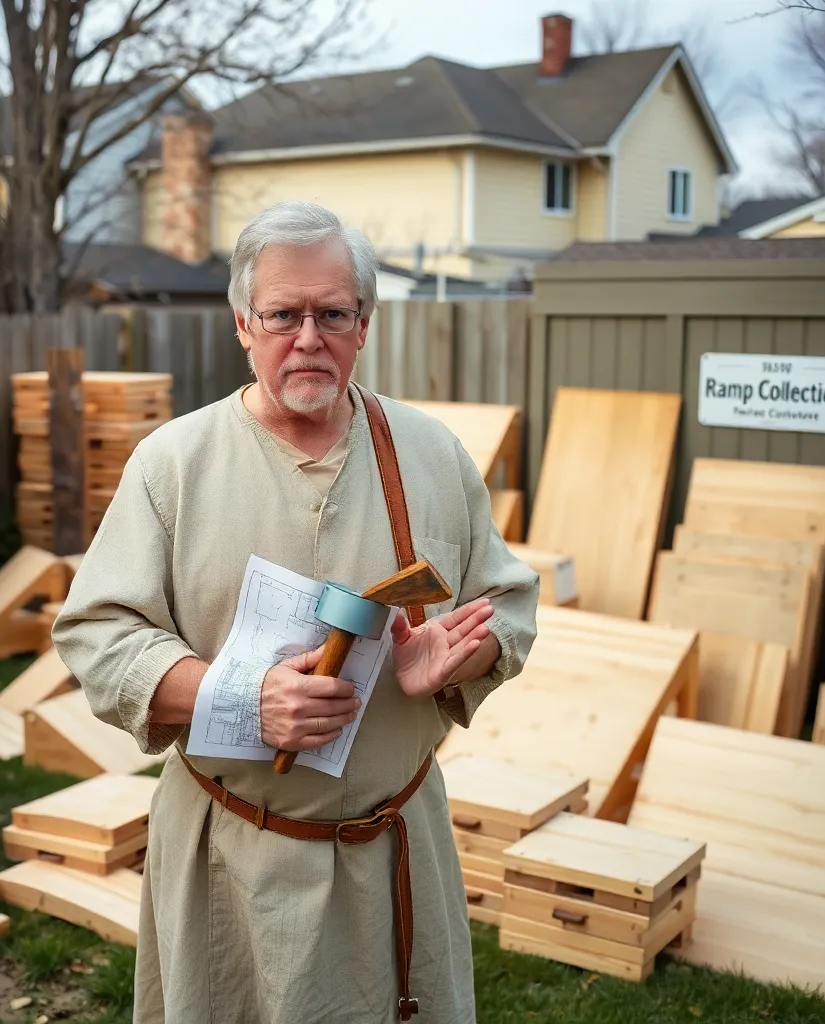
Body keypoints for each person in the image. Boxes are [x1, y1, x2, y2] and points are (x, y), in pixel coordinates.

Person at [52, 200, 539, 1024]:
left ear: (364, 324)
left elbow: (508, 599)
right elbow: (99, 635)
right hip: (233, 864)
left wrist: (457, 656)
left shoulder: (431, 455)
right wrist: (239, 699)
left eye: (333, 313)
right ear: (245, 324)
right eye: (283, 314)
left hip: (396, 856)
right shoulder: (173, 465)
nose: (308, 336)